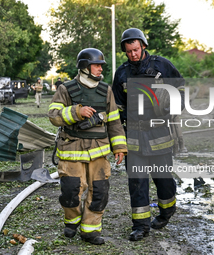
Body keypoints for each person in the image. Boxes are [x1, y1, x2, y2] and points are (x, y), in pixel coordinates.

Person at [48, 48, 127, 245]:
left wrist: (119, 147)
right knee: (71, 191)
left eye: (101, 65)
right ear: (84, 67)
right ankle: (72, 221)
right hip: (71, 150)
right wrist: (76, 111)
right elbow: (53, 115)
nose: (101, 69)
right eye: (96, 65)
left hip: (99, 152)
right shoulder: (66, 89)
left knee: (99, 191)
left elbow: (114, 121)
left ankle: (90, 230)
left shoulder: (106, 91)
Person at [112, 28, 185, 241]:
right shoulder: (122, 73)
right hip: (133, 137)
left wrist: (173, 105)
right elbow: (117, 106)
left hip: (159, 134)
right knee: (137, 182)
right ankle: (140, 226)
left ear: (143, 45)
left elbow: (181, 90)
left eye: (135, 50)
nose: (133, 54)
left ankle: (166, 210)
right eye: (128, 52)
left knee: (163, 180)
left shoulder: (163, 66)